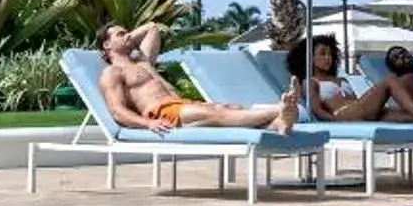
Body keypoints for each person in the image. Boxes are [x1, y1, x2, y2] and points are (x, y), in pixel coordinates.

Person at [97, 38, 298, 135]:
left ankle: (278, 123)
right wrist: (147, 124)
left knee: (232, 108)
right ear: (107, 45)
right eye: (122, 33)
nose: (129, 35)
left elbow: (152, 29)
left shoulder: (141, 63)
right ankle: (278, 109)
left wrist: (128, 40)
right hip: (161, 113)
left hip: (178, 104)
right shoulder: (113, 72)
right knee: (218, 112)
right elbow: (117, 111)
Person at [286, 35, 404, 121]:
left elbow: (359, 102)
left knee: (404, 114)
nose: (328, 58)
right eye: (322, 53)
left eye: (330, 54)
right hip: (341, 114)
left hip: (358, 110)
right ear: (310, 58)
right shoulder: (311, 82)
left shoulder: (342, 80)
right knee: (390, 80)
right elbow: (316, 110)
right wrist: (335, 121)